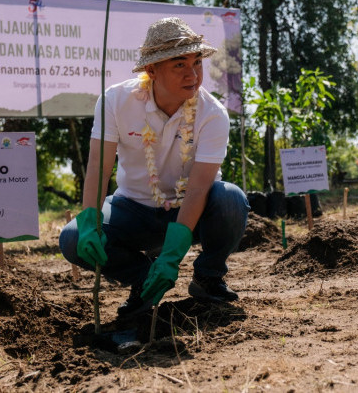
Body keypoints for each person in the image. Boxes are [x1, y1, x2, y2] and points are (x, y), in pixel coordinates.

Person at [59, 17, 249, 317]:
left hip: (194, 209)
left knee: (231, 199)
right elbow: (98, 165)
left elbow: (199, 188)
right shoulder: (116, 100)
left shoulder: (213, 114)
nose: (193, 74)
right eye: (179, 65)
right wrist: (89, 221)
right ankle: (143, 279)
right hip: (132, 208)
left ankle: (208, 277)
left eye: (197, 62)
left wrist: (173, 255)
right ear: (151, 70)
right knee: (71, 239)